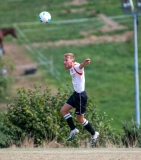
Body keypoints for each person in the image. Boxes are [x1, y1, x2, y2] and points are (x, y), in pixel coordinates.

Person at [60, 53, 99, 146]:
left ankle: (94, 134)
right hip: (75, 94)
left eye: (66, 60)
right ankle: (73, 130)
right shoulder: (72, 67)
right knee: (63, 110)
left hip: (81, 96)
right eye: (64, 60)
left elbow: (80, 66)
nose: (64, 62)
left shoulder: (77, 67)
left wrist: (84, 63)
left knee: (80, 119)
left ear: (72, 61)